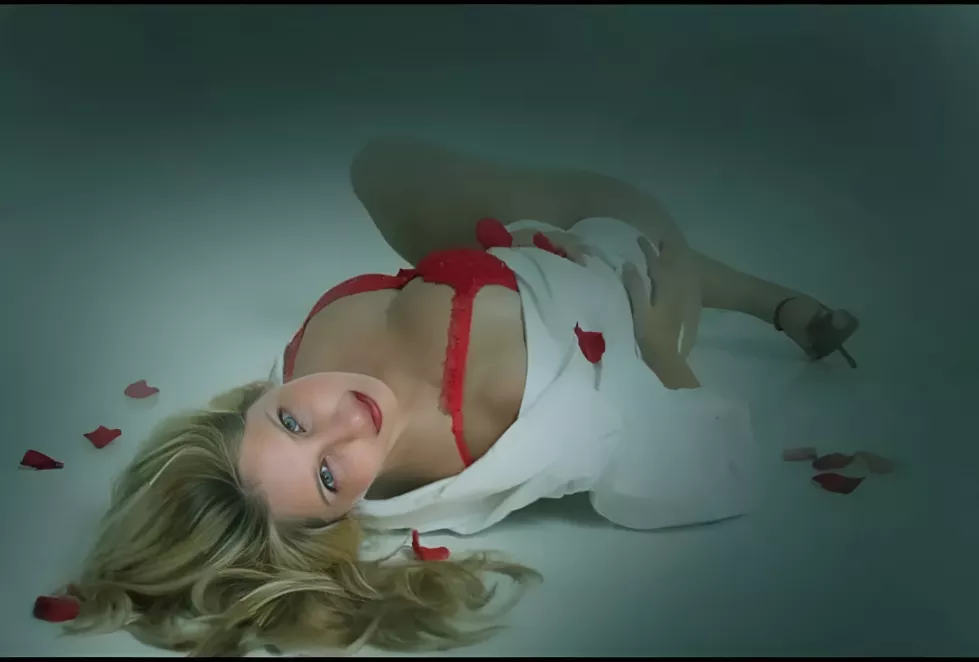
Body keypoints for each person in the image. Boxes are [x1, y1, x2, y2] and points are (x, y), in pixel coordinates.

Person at [60, 136, 860, 656]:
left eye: (292, 420)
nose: (345, 422)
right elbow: (713, 471)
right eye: (329, 476)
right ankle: (777, 304)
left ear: (253, 397)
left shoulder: (297, 361)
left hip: (521, 244)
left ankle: (765, 301)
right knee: (646, 244)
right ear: (338, 522)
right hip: (628, 285)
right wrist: (653, 345)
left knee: (379, 163)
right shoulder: (520, 425)